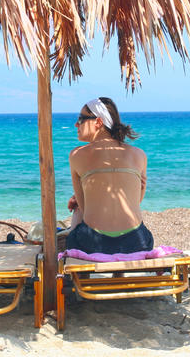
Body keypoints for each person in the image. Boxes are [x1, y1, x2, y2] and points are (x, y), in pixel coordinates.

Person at [65, 97, 154, 254]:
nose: (76, 124)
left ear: (98, 122)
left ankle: (77, 276)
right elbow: (134, 203)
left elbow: (85, 209)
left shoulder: (76, 155)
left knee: (78, 208)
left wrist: (79, 201)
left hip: (93, 243)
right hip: (137, 242)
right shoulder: (139, 154)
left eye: (81, 119)